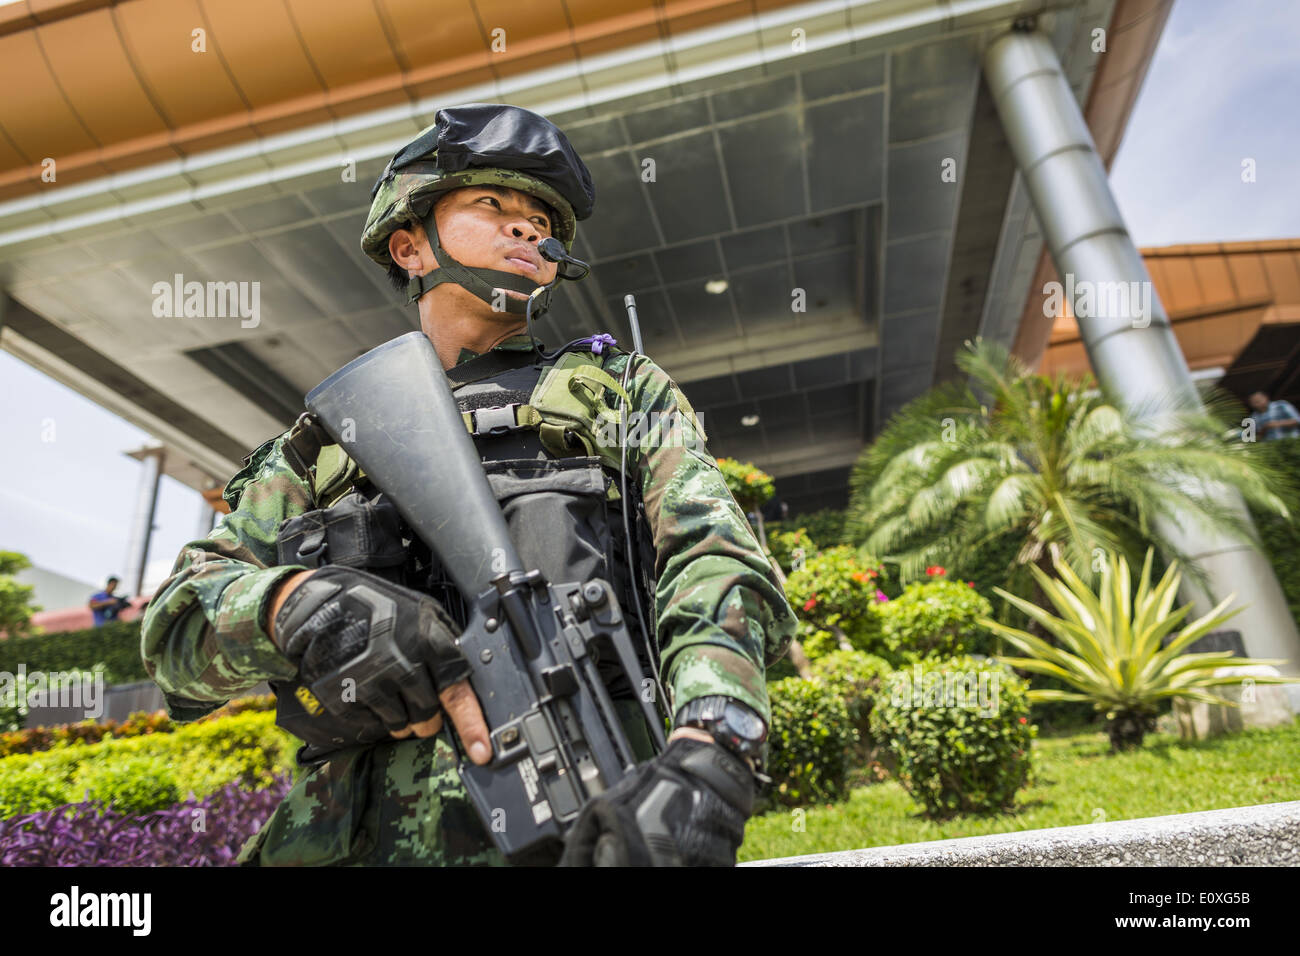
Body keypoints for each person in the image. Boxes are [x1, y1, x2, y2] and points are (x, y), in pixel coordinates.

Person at [139, 103, 796, 867]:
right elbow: (176, 635)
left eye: (542, 218)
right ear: (409, 245)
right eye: (493, 204)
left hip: (594, 828)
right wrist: (293, 608)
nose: (528, 228)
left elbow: (716, 558)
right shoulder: (322, 443)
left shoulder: (618, 392)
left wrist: (714, 743)